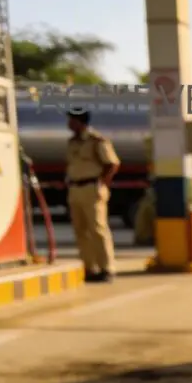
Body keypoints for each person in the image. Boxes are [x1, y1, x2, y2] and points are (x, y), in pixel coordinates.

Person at [65, 107, 119, 282]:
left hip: (91, 187)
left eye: (72, 120)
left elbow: (112, 164)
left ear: (80, 122)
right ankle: (90, 268)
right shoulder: (72, 142)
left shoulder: (97, 140)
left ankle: (107, 268)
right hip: (75, 188)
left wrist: (102, 183)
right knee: (80, 230)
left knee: (97, 229)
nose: (69, 123)